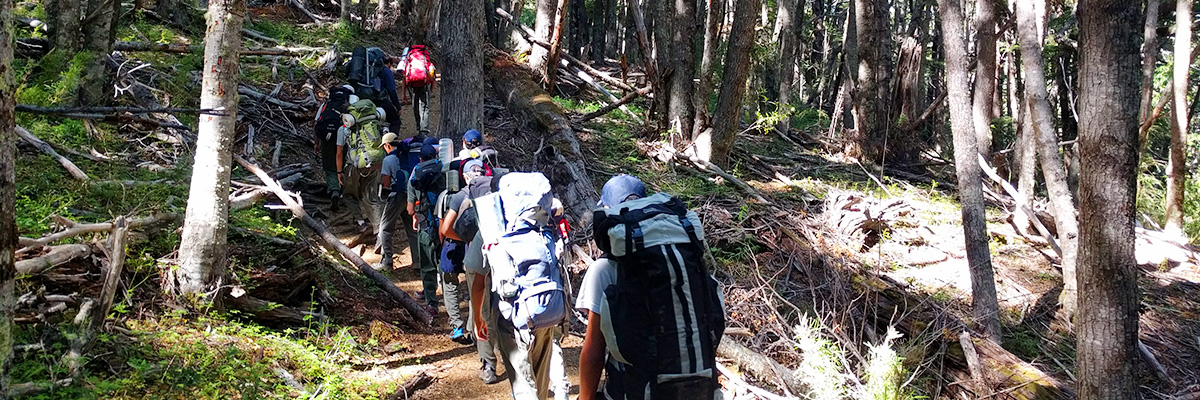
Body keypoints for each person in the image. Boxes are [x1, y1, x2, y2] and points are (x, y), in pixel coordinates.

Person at [577, 174, 725, 400]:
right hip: (696, 384)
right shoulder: (683, 257)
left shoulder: (604, 269)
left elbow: (594, 351)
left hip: (636, 389)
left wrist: (584, 398)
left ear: (608, 210)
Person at [335, 99, 387, 235]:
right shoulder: (372, 124)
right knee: (372, 197)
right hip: (375, 163)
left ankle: (361, 223)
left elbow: (339, 154)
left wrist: (339, 171)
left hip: (354, 166)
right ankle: (380, 231)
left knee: (348, 194)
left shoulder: (343, 129)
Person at [407, 138, 445, 313]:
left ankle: (431, 303)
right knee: (442, 261)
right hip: (444, 224)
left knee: (428, 265)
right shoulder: (444, 169)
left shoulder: (416, 173)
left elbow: (409, 209)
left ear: (420, 159)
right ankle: (449, 294)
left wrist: (415, 215)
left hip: (425, 224)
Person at [313, 85, 357, 211]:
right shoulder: (350, 105)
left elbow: (317, 124)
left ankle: (333, 191)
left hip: (326, 139)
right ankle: (344, 191)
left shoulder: (326, 105)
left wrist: (316, 143)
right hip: (344, 137)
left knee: (329, 166)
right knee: (343, 164)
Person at [376, 132, 407, 270]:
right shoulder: (407, 154)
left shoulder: (388, 160)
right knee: (412, 230)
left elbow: (386, 182)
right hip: (411, 195)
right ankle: (418, 262)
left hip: (397, 196)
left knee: (384, 228)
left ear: (387, 145)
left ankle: (386, 261)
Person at [397, 44, 436, 135]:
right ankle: (424, 130)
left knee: (415, 106)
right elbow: (432, 73)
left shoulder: (409, 58)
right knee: (424, 107)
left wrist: (403, 94)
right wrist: (432, 87)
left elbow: (404, 77)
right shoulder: (425, 57)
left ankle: (419, 127)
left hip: (412, 84)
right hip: (424, 84)